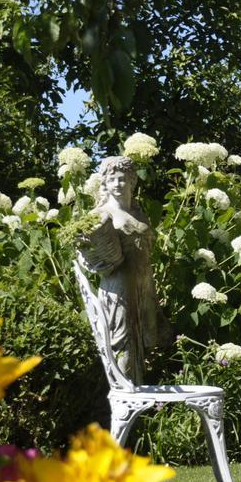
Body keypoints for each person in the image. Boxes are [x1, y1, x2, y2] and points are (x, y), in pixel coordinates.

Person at [82, 156, 159, 385]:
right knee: (122, 343)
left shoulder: (137, 212)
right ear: (104, 183)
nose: (117, 184)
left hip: (142, 281)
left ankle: (139, 401)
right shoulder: (100, 215)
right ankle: (125, 395)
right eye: (112, 179)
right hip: (118, 286)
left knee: (140, 346)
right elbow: (87, 252)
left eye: (122, 179)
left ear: (132, 181)